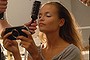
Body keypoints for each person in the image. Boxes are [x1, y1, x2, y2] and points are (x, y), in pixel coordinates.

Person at [1, 1, 84, 60]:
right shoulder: (35, 49)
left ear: (61, 22)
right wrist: (16, 52)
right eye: (39, 16)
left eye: (48, 16)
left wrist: (35, 55)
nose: (41, 19)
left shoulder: (71, 52)